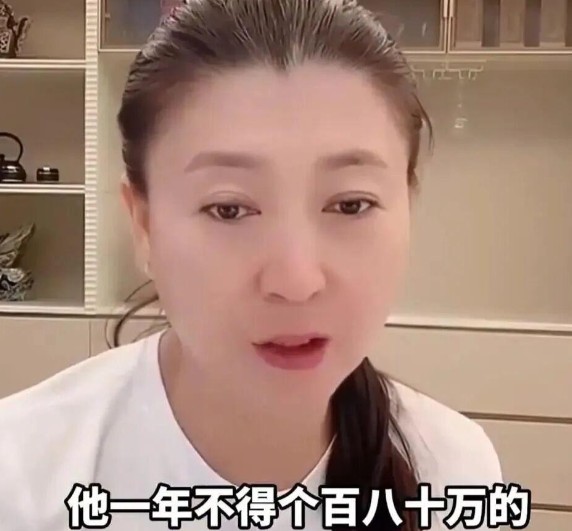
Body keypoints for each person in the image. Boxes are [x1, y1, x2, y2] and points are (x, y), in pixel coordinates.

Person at [0, 0, 503, 529]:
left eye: (351, 204)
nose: (296, 281)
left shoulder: (452, 472)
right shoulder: (23, 477)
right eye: (229, 209)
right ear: (144, 224)